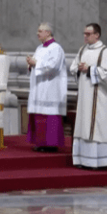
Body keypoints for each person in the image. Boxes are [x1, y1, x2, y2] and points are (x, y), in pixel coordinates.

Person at [70, 23, 107, 169]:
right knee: (84, 124)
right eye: (84, 33)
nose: (85, 36)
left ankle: (101, 161)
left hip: (100, 97)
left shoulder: (105, 52)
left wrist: (89, 69)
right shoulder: (82, 50)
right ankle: (84, 160)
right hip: (85, 96)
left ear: (97, 35)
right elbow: (73, 67)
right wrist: (78, 69)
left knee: (98, 127)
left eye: (88, 34)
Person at [26, 23, 67, 153]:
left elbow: (53, 66)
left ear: (48, 33)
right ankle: (41, 142)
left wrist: (35, 63)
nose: (37, 33)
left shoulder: (56, 48)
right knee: (39, 114)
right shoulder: (39, 48)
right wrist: (31, 63)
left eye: (40, 31)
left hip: (50, 88)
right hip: (39, 87)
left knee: (49, 115)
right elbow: (37, 64)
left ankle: (51, 144)